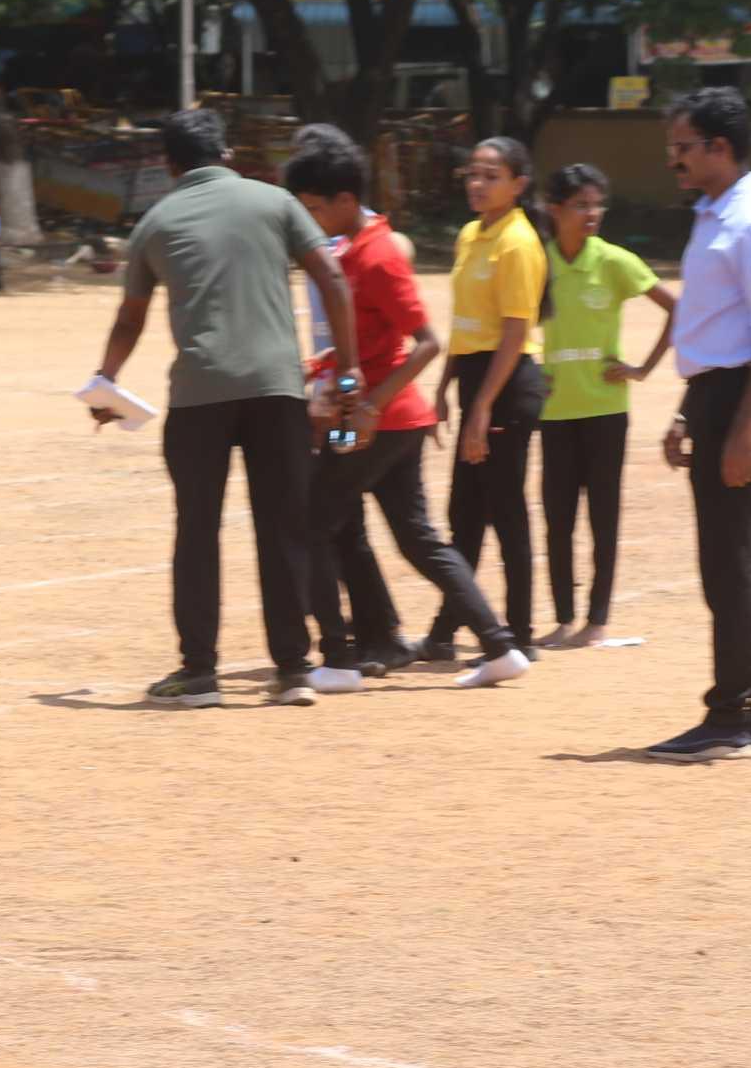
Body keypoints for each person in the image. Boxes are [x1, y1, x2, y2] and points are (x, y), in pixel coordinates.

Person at [86, 107, 363, 707]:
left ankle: (199, 673)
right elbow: (333, 279)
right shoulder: (276, 202)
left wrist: (106, 381)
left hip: (200, 396)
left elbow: (130, 316)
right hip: (277, 390)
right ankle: (293, 670)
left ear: (169, 165)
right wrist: (349, 371)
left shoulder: (156, 222)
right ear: (227, 155)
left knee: (197, 531)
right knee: (283, 526)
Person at [282, 132, 527, 691]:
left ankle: (339, 660)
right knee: (414, 536)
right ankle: (499, 647)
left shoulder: (379, 253)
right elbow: (375, 341)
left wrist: (369, 404)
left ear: (345, 200)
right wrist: (322, 363)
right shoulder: (353, 248)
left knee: (313, 519)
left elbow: (426, 342)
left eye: (315, 208)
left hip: (379, 425)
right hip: (390, 421)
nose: (310, 220)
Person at [649, 86, 751, 762]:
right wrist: (689, 410)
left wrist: (741, 430)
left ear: (720, 147)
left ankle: (728, 717)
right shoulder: (715, 213)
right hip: (715, 394)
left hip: (742, 397)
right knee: (750, 558)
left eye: (683, 148)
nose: (673, 161)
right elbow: (716, 324)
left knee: (728, 562)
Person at [534, 163, 677, 649]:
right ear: (555, 210)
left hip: (605, 411)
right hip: (554, 413)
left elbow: (675, 309)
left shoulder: (614, 261)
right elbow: (512, 322)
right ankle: (561, 619)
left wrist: (641, 370)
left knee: (603, 516)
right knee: (557, 519)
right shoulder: (538, 263)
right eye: (580, 205)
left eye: (597, 204)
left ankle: (597, 620)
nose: (592, 214)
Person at [426, 138, 552, 660]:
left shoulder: (518, 243)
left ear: (518, 185)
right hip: (475, 376)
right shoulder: (471, 235)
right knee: (465, 511)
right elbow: (463, 324)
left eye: (491, 175)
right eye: (472, 174)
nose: (477, 184)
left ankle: (518, 633)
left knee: (505, 511)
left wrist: (482, 409)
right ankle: (444, 631)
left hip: (507, 382)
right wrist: (444, 388)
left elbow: (514, 331)